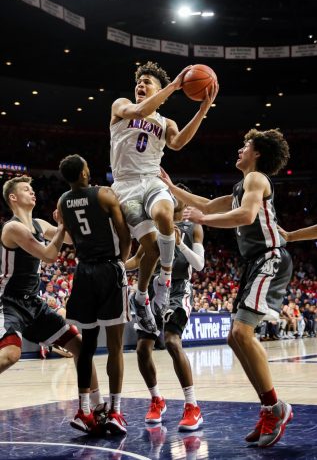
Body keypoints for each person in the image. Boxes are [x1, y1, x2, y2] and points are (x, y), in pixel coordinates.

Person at [160, 128, 293, 448]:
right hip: (254, 263)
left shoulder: (256, 180)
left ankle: (276, 408)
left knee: (242, 334)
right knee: (234, 337)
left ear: (258, 153)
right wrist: (170, 187)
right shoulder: (240, 185)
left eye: (245, 145)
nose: (240, 150)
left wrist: (202, 220)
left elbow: (246, 215)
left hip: (269, 258)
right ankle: (269, 408)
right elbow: (207, 204)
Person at [110, 61, 218, 335]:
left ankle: (165, 279)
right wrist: (174, 85)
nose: (141, 85)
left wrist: (203, 108)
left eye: (148, 82)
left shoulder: (166, 122)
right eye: (140, 81)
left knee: (164, 215)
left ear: (158, 90)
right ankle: (141, 294)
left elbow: (178, 142)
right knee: (150, 246)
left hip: (152, 180)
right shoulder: (121, 105)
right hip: (125, 187)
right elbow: (139, 110)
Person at [0, 176, 102, 422]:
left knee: (80, 346)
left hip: (34, 303)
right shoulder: (12, 228)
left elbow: (68, 239)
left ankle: (95, 410)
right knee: (11, 355)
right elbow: (48, 254)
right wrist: (64, 227)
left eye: (33, 189)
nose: (32, 192)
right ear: (13, 198)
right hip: (9, 301)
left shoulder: (39, 224)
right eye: (26, 189)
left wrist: (74, 219)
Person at [58, 154, 131, 435]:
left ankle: (84, 410)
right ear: (85, 173)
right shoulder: (104, 194)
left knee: (87, 345)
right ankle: (115, 411)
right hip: (109, 269)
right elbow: (124, 235)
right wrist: (121, 263)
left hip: (83, 272)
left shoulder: (63, 201)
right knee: (115, 345)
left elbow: (70, 234)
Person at [125, 184, 205, 431]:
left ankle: (192, 405)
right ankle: (156, 399)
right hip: (151, 287)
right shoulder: (154, 228)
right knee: (141, 349)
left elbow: (200, 265)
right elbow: (136, 261)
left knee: (171, 341)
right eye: (172, 195)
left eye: (179, 196)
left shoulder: (194, 227)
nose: (174, 199)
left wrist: (180, 244)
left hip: (179, 288)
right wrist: (114, 265)